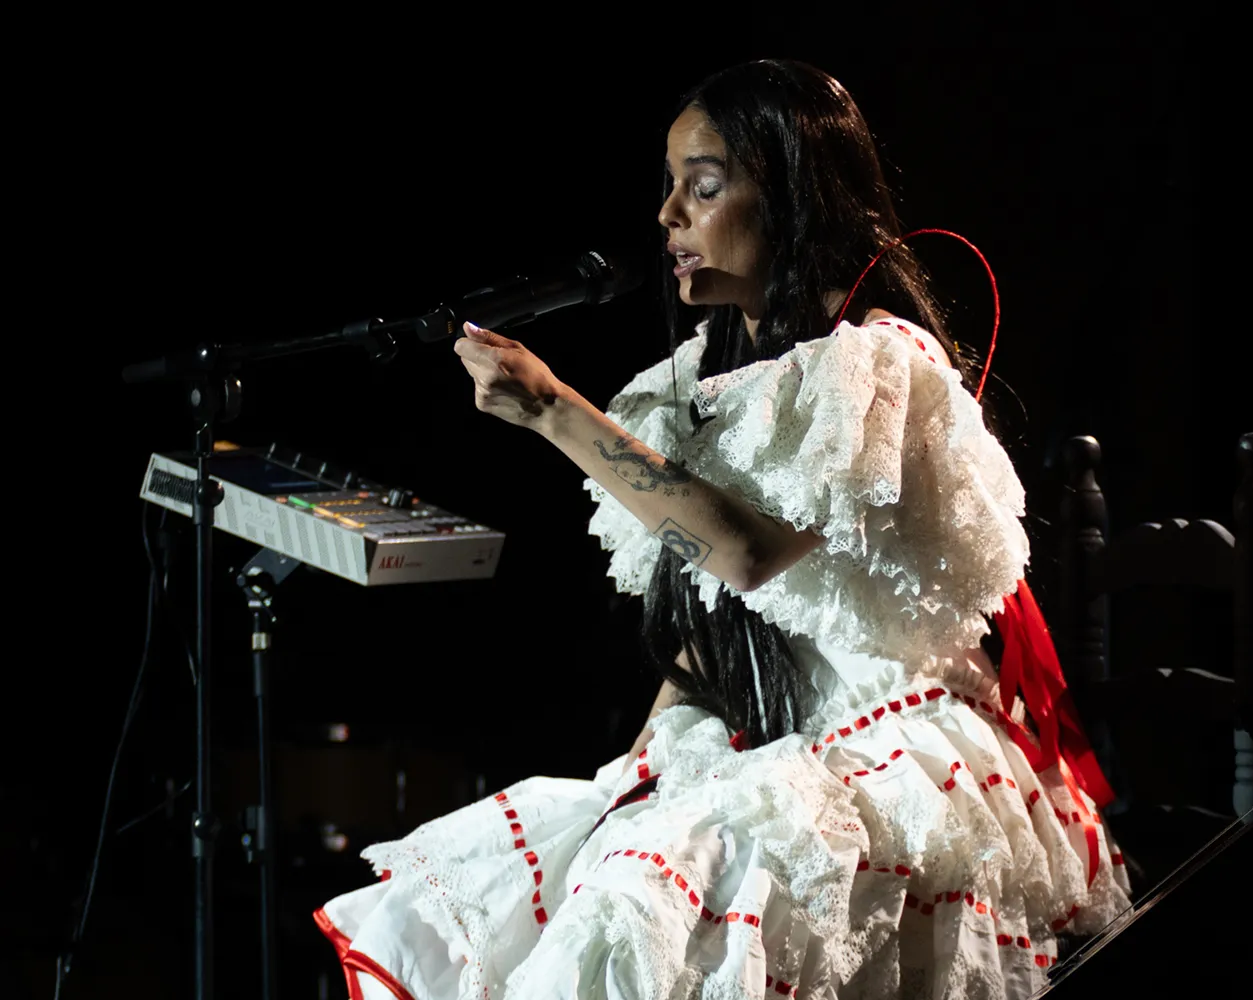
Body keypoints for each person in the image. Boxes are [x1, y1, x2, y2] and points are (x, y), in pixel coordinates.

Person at [315, 59, 1129, 1000]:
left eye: (702, 187)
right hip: (775, 736)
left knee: (649, 900)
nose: (669, 216)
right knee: (557, 868)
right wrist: (641, 757)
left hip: (894, 739)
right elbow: (713, 611)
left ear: (792, 196)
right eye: (669, 186)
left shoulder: (875, 363)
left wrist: (554, 411)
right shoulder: (714, 375)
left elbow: (747, 557)